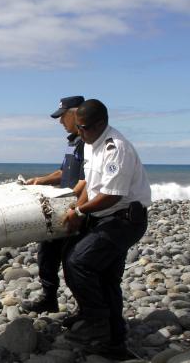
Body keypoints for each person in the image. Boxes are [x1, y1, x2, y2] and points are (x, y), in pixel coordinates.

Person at [62, 99, 151, 358]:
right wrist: (79, 211)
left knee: (79, 262)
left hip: (125, 220)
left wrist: (79, 212)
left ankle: (96, 322)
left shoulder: (116, 149)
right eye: (78, 128)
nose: (80, 133)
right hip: (105, 217)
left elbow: (112, 195)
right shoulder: (91, 143)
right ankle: (114, 342)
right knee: (105, 278)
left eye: (85, 128)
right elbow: (91, 185)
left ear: (101, 124)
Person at [22, 96, 86, 314]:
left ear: (76, 114)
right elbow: (63, 173)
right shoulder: (72, 142)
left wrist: (74, 208)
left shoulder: (88, 143)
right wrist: (40, 180)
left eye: (63, 117)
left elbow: (86, 182)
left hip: (77, 209)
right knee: (47, 252)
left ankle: (84, 309)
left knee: (73, 261)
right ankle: (49, 297)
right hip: (63, 205)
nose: (60, 122)